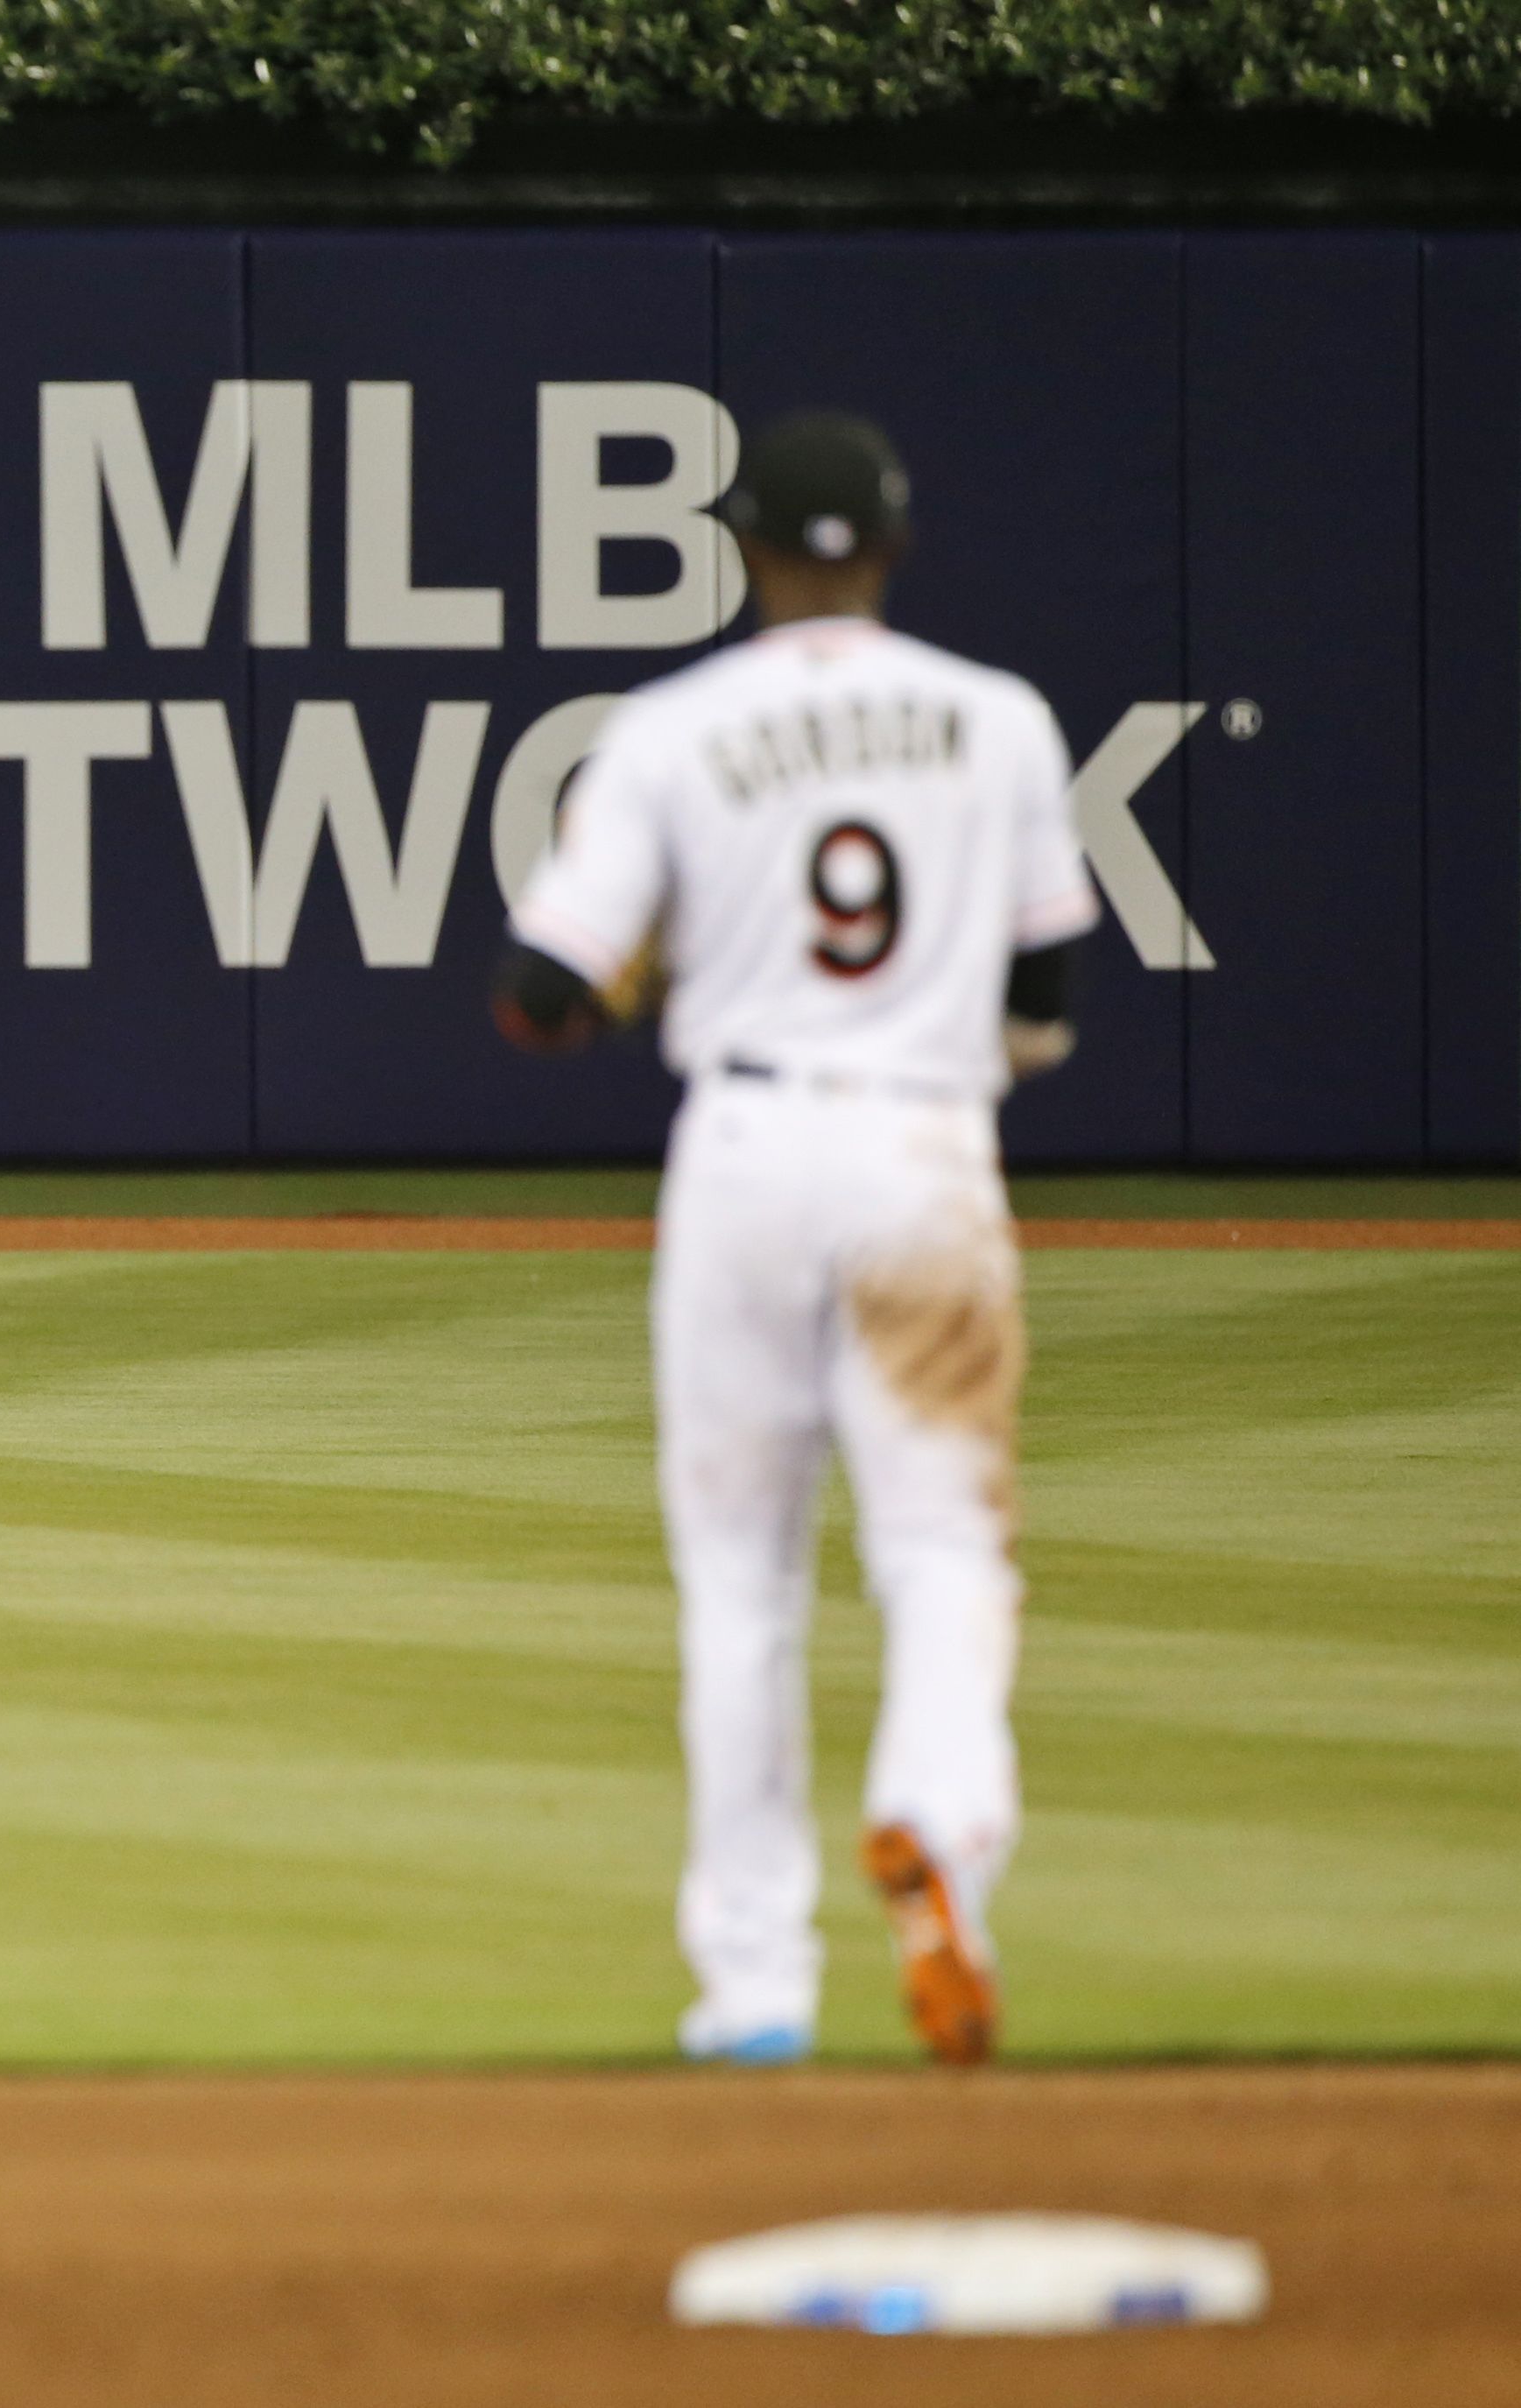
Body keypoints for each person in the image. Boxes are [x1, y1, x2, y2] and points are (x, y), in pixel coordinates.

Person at [496, 412, 1097, 2067]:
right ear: (890, 548)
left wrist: (646, 987)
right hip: (921, 1149)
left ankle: (751, 1990)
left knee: (738, 1587)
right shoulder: (1001, 723)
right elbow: (1044, 998)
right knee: (942, 1550)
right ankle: (939, 1846)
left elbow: (541, 992)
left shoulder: (673, 731)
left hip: (746, 1150)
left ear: (745, 547)